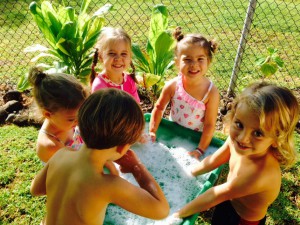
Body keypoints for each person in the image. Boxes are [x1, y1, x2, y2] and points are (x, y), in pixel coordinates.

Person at [30, 88, 170, 225]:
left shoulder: (61, 154)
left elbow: (35, 189)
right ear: (122, 148)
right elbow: (161, 210)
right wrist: (136, 167)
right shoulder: (108, 185)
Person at [168, 82, 299, 225]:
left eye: (258, 133)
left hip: (245, 220)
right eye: (239, 124)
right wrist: (189, 173)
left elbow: (216, 195)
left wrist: (178, 214)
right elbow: (215, 160)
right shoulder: (235, 140)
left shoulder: (260, 173)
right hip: (229, 202)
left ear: (276, 139)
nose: (243, 138)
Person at [149, 27, 219, 158]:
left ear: (208, 62)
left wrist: (200, 150)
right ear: (177, 62)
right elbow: (158, 108)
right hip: (173, 133)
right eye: (187, 60)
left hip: (195, 139)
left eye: (200, 59)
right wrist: (152, 131)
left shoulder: (211, 92)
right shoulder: (173, 85)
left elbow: (209, 125)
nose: (194, 64)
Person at [28, 67, 88, 163]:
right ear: (48, 114)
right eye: (71, 119)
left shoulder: (67, 121)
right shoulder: (50, 146)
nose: (79, 121)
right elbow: (74, 170)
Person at [90, 27, 140, 102]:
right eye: (112, 53)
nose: (118, 58)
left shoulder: (129, 81)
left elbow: (136, 107)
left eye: (123, 54)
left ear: (130, 56)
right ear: (101, 56)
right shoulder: (100, 86)